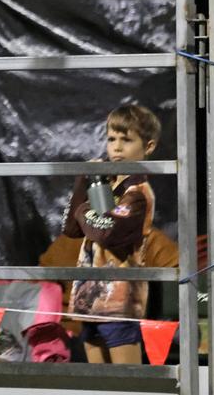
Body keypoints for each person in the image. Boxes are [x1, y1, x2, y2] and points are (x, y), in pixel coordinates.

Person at [62, 104, 161, 364]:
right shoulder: (105, 184)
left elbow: (106, 233)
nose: (116, 147)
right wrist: (84, 181)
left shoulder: (138, 192)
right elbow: (71, 230)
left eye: (126, 140)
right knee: (101, 383)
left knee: (128, 383)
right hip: (89, 297)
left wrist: (84, 210)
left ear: (148, 146)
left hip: (118, 300)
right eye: (111, 139)